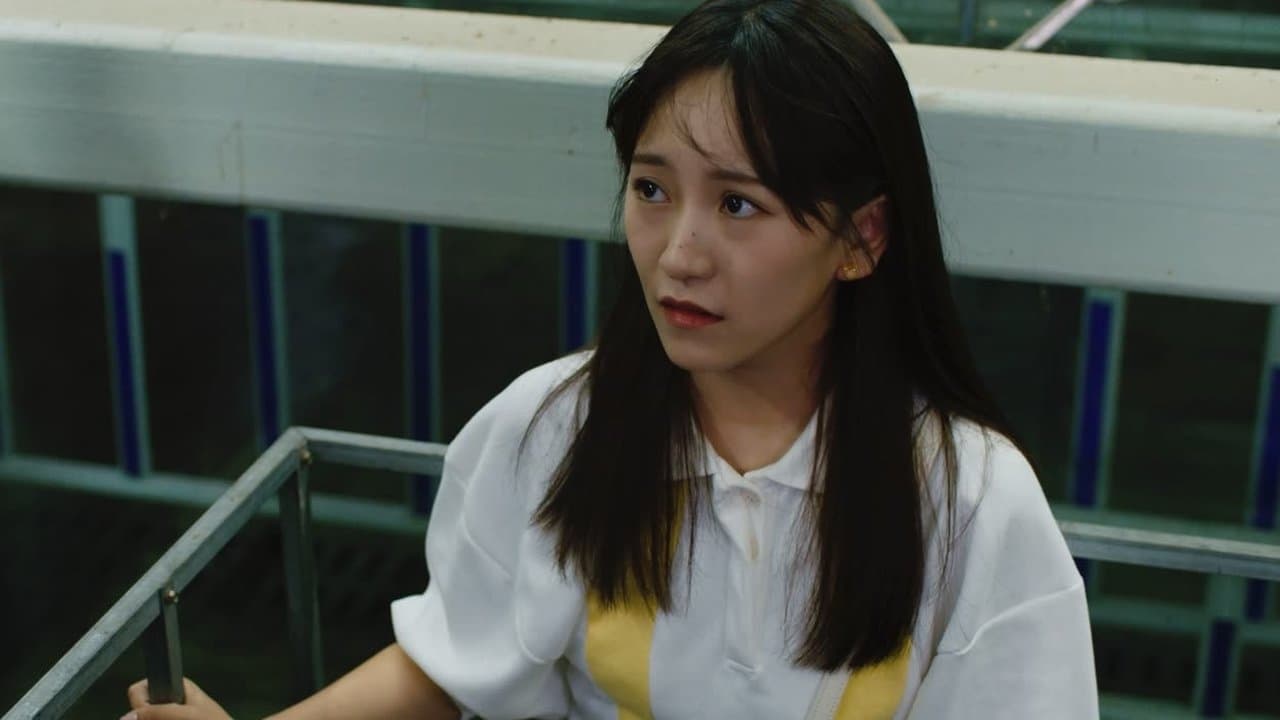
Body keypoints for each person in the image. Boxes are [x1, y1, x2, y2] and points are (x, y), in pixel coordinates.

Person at [125, 0, 1098, 718]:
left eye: (738, 204)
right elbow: (450, 667)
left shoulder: (970, 503)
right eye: (651, 190)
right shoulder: (552, 429)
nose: (678, 253)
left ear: (862, 237)